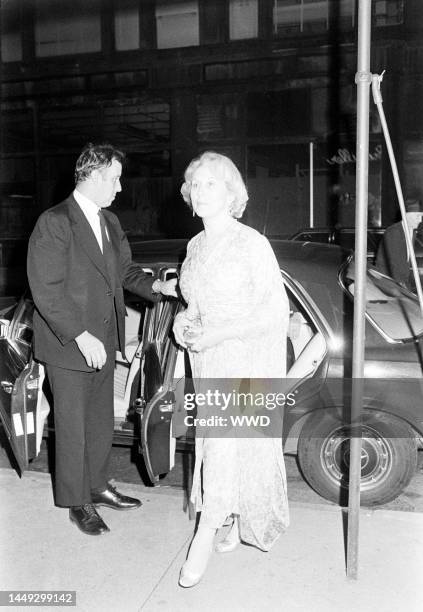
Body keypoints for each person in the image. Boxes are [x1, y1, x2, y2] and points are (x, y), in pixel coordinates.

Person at [27, 143, 177, 536]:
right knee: (73, 426)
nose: (120, 186)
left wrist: (159, 287)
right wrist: (79, 335)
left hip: (104, 339)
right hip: (68, 344)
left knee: (98, 422)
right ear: (91, 176)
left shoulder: (109, 221)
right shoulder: (55, 221)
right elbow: (46, 289)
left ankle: (97, 485)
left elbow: (124, 274)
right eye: (114, 178)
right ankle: (77, 501)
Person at [173, 151, 290, 588]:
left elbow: (275, 314)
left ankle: (206, 530)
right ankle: (230, 516)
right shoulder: (195, 245)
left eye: (211, 183)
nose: (200, 191)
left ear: (231, 192)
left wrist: (220, 334)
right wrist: (184, 322)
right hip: (205, 359)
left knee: (225, 445)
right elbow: (194, 304)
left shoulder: (250, 243)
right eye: (195, 184)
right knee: (221, 444)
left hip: (243, 357)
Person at [375, 197, 423, 289]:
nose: (420, 220)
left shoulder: (412, 231)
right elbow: (393, 264)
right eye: (417, 216)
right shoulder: (393, 232)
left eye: (421, 216)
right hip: (389, 283)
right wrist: (400, 286)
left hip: (402, 282)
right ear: (406, 215)